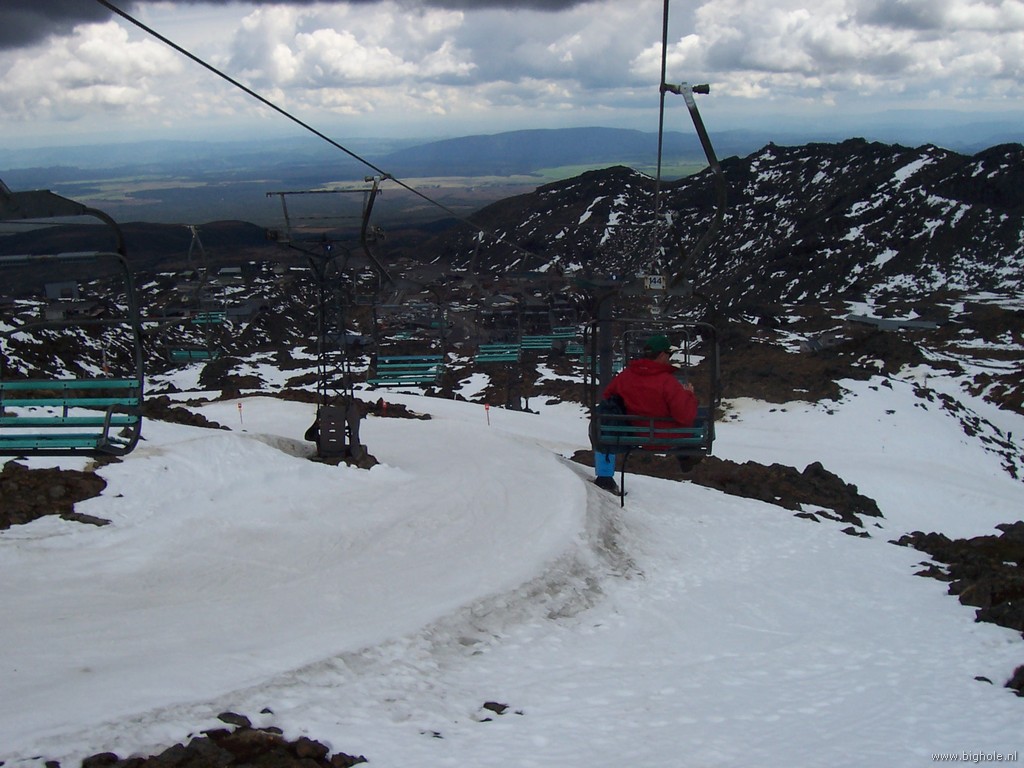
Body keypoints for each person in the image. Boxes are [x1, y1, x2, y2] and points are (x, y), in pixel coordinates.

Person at [594, 334, 698, 492]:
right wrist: (688, 395)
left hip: (633, 433)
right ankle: (686, 456)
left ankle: (604, 477)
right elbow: (685, 416)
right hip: (664, 436)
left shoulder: (626, 376)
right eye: (669, 354)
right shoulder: (667, 382)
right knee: (695, 423)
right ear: (662, 355)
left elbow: (608, 397)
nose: (670, 358)